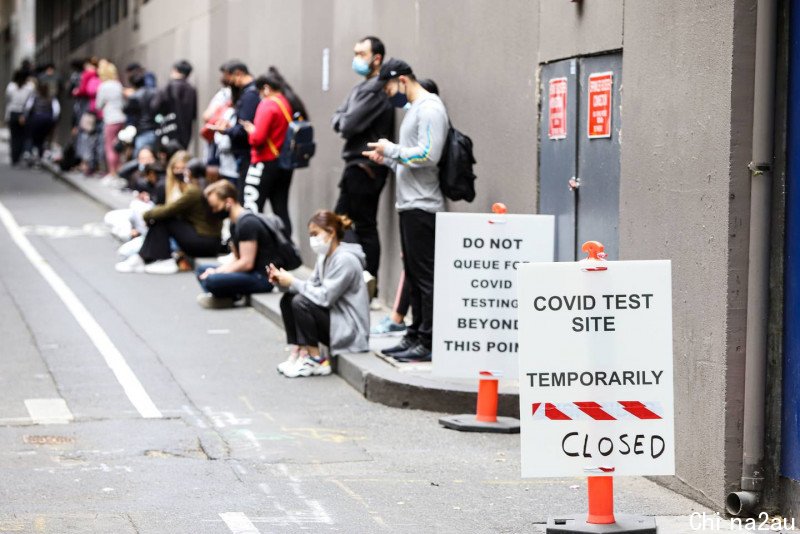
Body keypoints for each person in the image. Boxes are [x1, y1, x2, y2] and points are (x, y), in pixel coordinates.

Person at [363, 59, 449, 362]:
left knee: (424, 277)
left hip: (423, 205)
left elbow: (429, 155)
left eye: (388, 87)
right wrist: (387, 158)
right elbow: (414, 158)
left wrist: (392, 150)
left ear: (401, 80)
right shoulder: (416, 110)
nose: (388, 95)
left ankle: (427, 341)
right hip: (411, 203)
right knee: (413, 274)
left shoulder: (429, 109)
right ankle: (415, 334)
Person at [331, 36, 394, 305]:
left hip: (366, 166)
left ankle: (370, 283)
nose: (356, 58)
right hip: (356, 166)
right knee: (341, 222)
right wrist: (344, 118)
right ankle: (359, 279)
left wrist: (344, 118)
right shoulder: (362, 88)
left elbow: (347, 124)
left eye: (361, 53)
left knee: (361, 224)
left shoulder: (377, 90)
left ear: (376, 58)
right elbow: (338, 117)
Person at [270, 210, 370, 378]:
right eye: (311, 235)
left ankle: (317, 360)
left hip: (351, 330)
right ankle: (299, 353)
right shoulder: (324, 256)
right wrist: (281, 283)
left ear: (331, 232)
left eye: (315, 234)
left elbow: (325, 297)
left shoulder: (345, 260)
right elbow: (310, 287)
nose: (313, 239)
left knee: (300, 302)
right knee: (288, 299)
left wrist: (293, 281)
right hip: (335, 320)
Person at [115, 151, 223, 274]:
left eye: (184, 170)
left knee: (164, 218)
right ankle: (144, 257)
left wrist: (147, 215)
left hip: (204, 242)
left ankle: (160, 259)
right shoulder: (201, 188)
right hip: (207, 241)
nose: (181, 173)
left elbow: (170, 209)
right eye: (177, 169)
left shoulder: (194, 191)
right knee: (162, 219)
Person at [239, 67, 309, 235]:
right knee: (281, 209)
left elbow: (258, 138)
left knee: (252, 208)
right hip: (283, 164)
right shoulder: (286, 102)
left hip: (264, 162)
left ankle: (251, 251)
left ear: (266, 88)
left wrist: (250, 130)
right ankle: (286, 252)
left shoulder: (268, 105)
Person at [195, 180, 277, 308]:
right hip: (248, 273)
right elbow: (237, 258)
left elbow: (246, 263)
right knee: (201, 270)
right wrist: (217, 271)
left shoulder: (247, 223)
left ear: (229, 202)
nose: (214, 211)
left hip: (261, 278)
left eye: (216, 207)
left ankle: (228, 295)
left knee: (212, 279)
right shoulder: (235, 223)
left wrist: (217, 272)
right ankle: (228, 296)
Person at [217, 61, 259, 194]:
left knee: (245, 198)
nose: (231, 82)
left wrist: (227, 130)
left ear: (239, 74)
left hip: (247, 153)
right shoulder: (248, 93)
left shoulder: (250, 95)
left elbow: (244, 128)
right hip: (247, 153)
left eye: (231, 78)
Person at [152, 60, 197, 149]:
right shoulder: (191, 89)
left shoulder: (167, 87)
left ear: (175, 70)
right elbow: (194, 114)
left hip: (167, 129)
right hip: (185, 131)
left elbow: (155, 106)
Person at [95, 60, 126, 179]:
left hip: (110, 119)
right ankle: (119, 169)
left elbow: (98, 105)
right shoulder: (118, 84)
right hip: (121, 117)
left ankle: (113, 172)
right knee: (119, 146)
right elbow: (123, 102)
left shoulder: (103, 86)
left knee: (110, 146)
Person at [72, 57, 102, 175]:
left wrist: (76, 91)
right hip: (97, 112)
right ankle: (92, 164)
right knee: (94, 138)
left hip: (89, 111)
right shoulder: (99, 77)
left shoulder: (88, 75)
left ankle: (87, 164)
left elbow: (82, 90)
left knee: (86, 136)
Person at [23, 83, 60, 162]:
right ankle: (39, 155)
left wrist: (26, 117)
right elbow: (56, 110)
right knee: (42, 139)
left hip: (35, 119)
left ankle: (29, 152)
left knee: (31, 137)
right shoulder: (51, 98)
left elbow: (28, 107)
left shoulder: (35, 96)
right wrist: (53, 120)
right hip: (47, 121)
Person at [5, 70, 35, 165]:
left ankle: (14, 158)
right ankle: (19, 156)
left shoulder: (11, 87)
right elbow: (30, 103)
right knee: (22, 136)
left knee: (14, 136)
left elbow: (8, 99)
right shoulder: (29, 87)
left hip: (13, 112)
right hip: (23, 113)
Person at [124, 71, 157, 154]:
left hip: (142, 130)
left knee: (140, 157)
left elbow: (129, 112)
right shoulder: (154, 93)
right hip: (154, 128)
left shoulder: (134, 97)